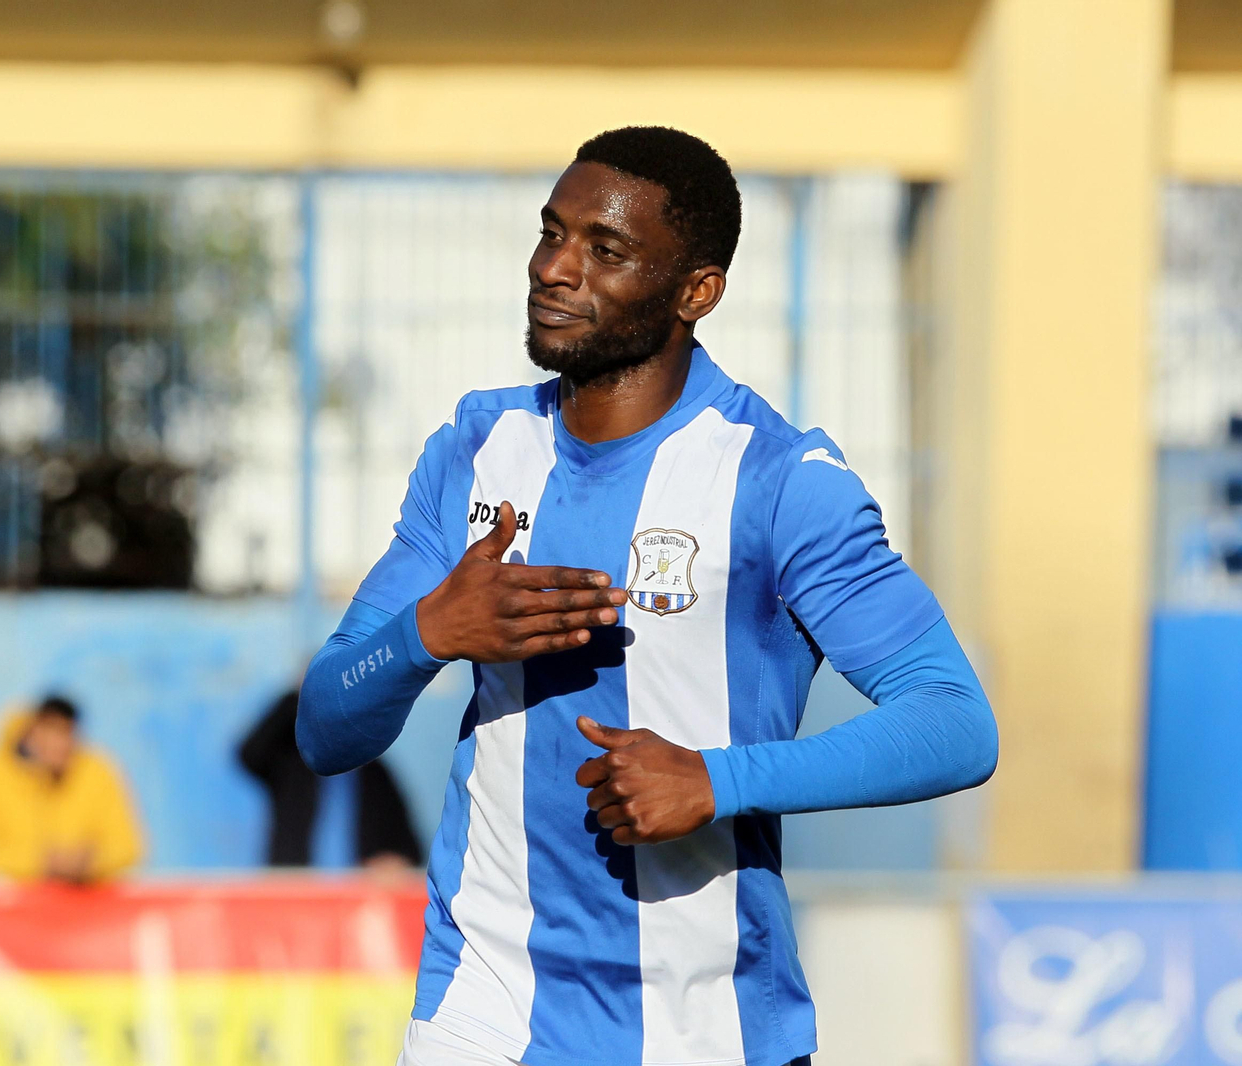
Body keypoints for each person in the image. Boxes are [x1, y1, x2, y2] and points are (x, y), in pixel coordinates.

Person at [295, 127, 999, 1066]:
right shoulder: (474, 450)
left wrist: (720, 779)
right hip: (481, 1017)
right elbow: (324, 729)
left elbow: (955, 722)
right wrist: (429, 632)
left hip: (707, 1030)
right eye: (552, 233)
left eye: (605, 250)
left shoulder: (781, 480)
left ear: (696, 292)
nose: (554, 268)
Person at [0, 695, 144, 883]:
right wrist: (38, 862)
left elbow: (128, 846)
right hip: (13, 906)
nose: (58, 743)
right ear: (30, 732)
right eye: (49, 731)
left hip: (84, 905)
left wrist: (90, 862)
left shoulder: (96, 770)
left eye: (65, 732)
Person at [239, 687, 421, 871]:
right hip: (294, 886)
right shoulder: (293, 765)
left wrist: (395, 859)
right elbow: (250, 753)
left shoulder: (375, 773)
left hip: (359, 893)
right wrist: (301, 693)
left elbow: (408, 847)